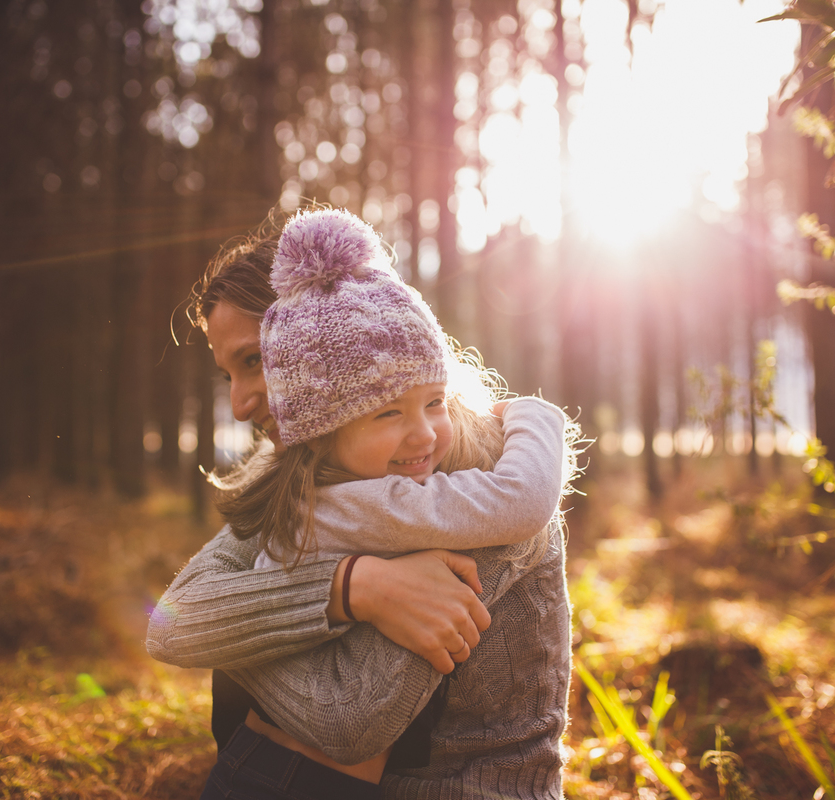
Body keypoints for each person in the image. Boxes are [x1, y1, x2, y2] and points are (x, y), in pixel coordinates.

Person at [148, 208, 576, 799]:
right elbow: (176, 618)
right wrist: (352, 586)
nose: (243, 404)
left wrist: (239, 625)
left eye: (255, 361)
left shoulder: (464, 486)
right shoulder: (318, 472)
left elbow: (345, 717)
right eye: (229, 376)